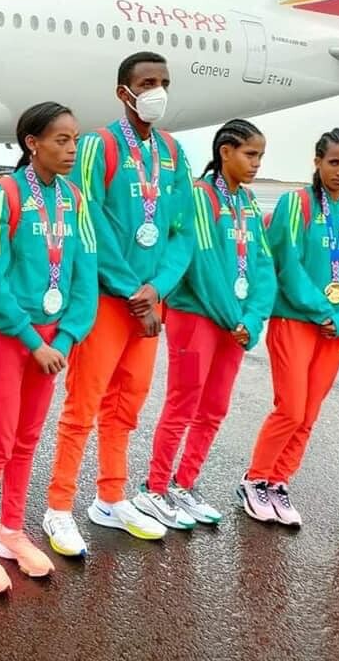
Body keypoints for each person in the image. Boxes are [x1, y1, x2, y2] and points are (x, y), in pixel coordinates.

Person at [42, 51, 196, 556]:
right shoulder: (99, 146)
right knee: (83, 405)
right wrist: (133, 290)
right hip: (110, 301)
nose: (157, 91)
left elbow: (183, 231)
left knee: (127, 404)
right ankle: (58, 507)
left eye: (163, 82)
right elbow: (89, 221)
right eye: (147, 83)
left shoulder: (172, 151)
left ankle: (110, 497)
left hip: (150, 303)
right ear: (123, 92)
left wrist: (159, 289)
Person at [0, 103, 97, 593]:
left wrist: (65, 337)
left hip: (52, 340)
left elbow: (84, 277)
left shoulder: (75, 199)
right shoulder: (4, 196)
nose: (72, 149)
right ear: (32, 143)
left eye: (75, 139)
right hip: (9, 335)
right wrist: (31, 341)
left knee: (27, 439)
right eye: (61, 140)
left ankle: (11, 531)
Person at [133, 120, 275, 529]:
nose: (256, 163)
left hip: (235, 326)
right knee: (183, 403)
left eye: (260, 156)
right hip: (197, 320)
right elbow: (204, 265)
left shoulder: (248, 203)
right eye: (250, 154)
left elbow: (263, 266)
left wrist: (252, 319)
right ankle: (155, 488)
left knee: (214, 408)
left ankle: (184, 482)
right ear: (225, 152)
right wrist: (236, 319)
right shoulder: (199, 196)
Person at [241, 128, 339, 527]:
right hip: (296, 320)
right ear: (317, 161)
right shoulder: (297, 204)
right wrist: (323, 310)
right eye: (334, 162)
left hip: (335, 329)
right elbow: (287, 265)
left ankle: (279, 481)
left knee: (308, 414)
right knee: (290, 408)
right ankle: (255, 480)